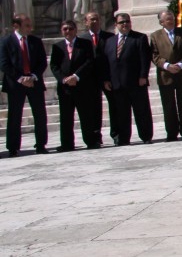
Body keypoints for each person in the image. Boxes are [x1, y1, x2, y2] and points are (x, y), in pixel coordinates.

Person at [100, 13, 154, 145]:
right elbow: (105, 62)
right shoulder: (110, 41)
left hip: (136, 82)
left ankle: (146, 135)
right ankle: (123, 138)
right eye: (122, 22)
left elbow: (144, 59)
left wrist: (143, 76)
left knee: (141, 111)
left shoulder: (139, 38)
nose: (125, 24)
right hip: (117, 84)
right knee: (121, 113)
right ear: (116, 25)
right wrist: (106, 80)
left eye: (127, 22)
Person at [1, 14, 48, 156]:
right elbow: (4, 64)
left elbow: (42, 62)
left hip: (34, 82)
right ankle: (13, 147)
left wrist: (33, 76)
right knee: (15, 115)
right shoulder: (6, 42)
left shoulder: (36, 41)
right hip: (15, 84)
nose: (30, 28)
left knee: (40, 114)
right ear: (17, 26)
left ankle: (41, 144)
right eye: (26, 25)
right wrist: (20, 78)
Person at [50, 19, 100, 151]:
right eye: (65, 29)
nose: (68, 31)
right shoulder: (57, 47)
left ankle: (91, 141)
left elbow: (89, 62)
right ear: (62, 31)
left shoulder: (85, 44)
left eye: (70, 29)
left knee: (86, 115)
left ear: (76, 30)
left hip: (82, 85)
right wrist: (63, 79)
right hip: (65, 88)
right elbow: (54, 66)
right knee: (66, 117)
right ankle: (67, 143)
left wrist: (76, 77)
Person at [150, 11, 182, 142]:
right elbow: (154, 55)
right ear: (161, 22)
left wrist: (181, 64)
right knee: (168, 106)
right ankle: (171, 133)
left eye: (172, 18)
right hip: (165, 75)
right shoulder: (155, 36)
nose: (171, 21)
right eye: (168, 19)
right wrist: (167, 65)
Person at [81, 11, 115, 145]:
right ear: (86, 22)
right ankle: (95, 136)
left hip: (107, 77)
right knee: (93, 108)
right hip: (90, 79)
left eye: (96, 19)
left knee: (114, 106)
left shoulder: (109, 37)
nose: (94, 22)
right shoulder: (82, 39)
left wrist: (108, 77)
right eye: (91, 20)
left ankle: (116, 134)